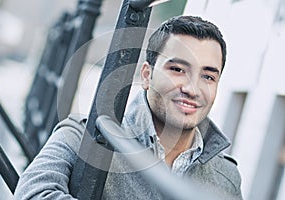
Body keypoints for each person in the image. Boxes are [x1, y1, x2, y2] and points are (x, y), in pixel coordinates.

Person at [14, 15, 243, 199]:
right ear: (146, 75)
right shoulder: (83, 135)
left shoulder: (227, 176)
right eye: (177, 70)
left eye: (208, 77)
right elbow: (32, 193)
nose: (193, 89)